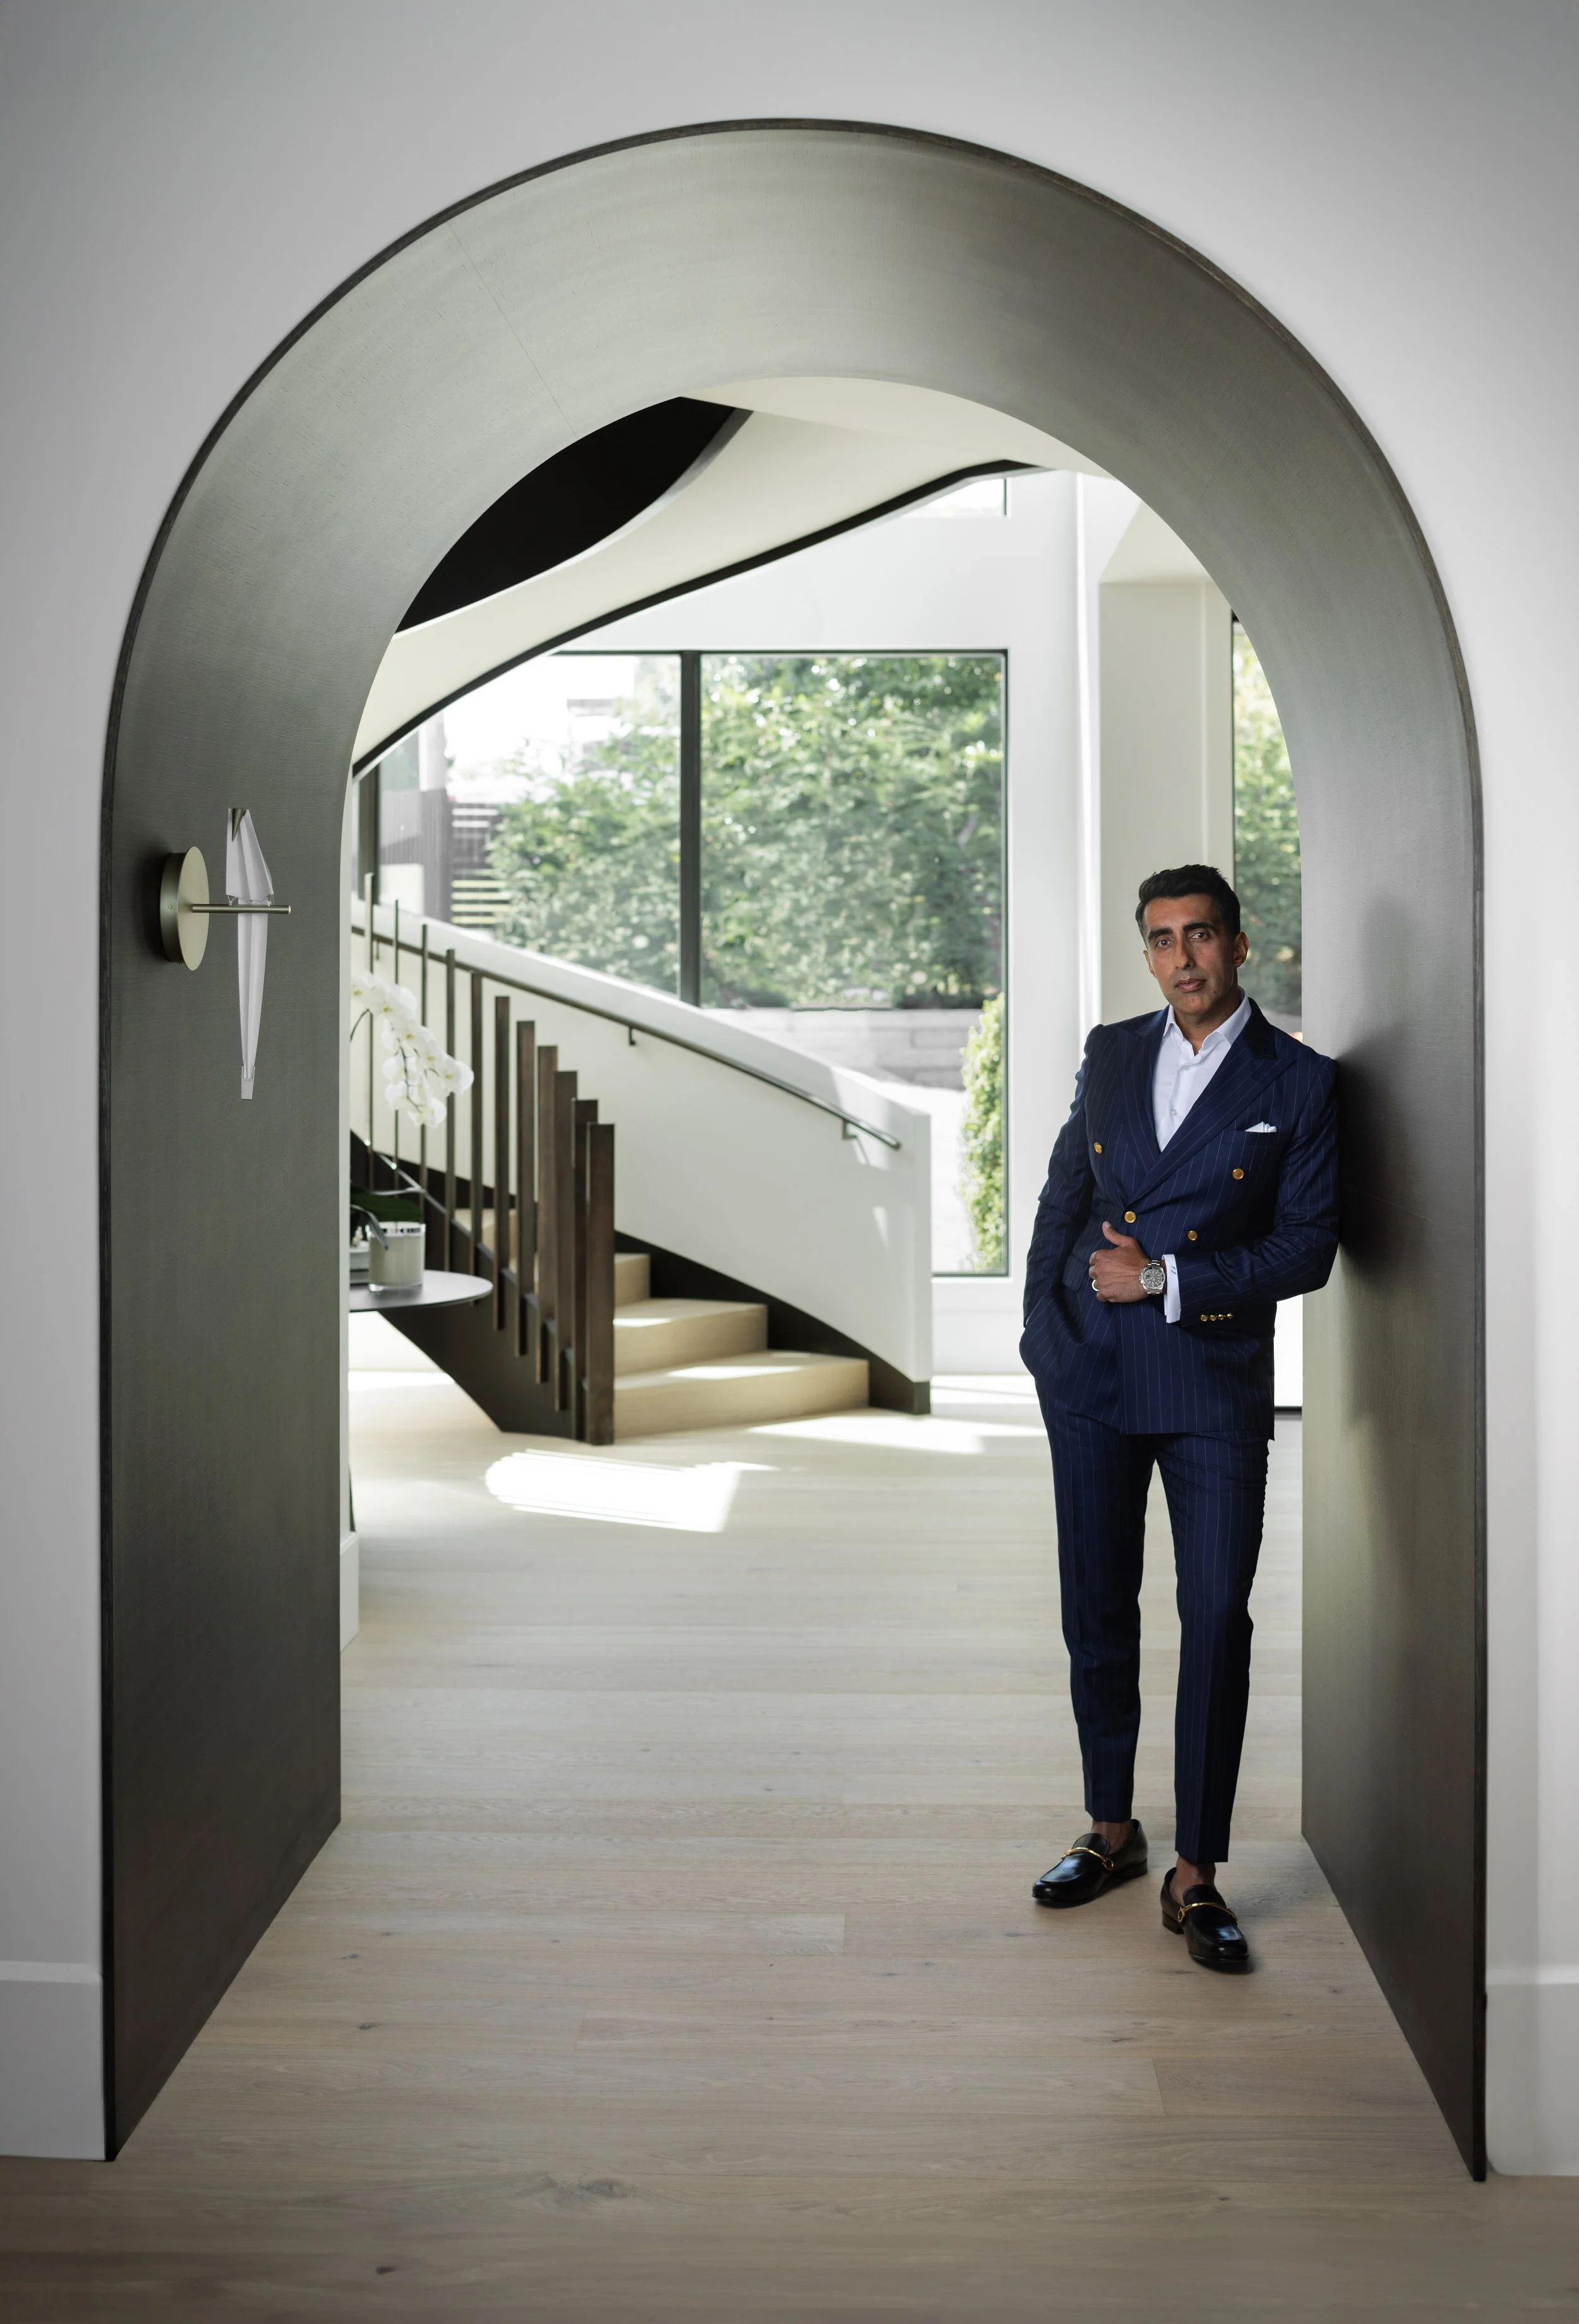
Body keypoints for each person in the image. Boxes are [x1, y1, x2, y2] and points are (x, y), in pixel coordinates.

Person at [1021, 865, 1338, 1970]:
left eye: (1200, 935)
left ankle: (1195, 1870)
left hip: (1212, 1382)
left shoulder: (1299, 1080)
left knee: (1215, 1618)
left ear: (1239, 946)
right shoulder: (1112, 1050)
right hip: (1090, 1376)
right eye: (1161, 939)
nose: (1181, 958)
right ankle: (1110, 1829)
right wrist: (1042, 1326)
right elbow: (1064, 1193)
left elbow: (1308, 1247)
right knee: (1096, 1606)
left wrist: (1164, 1278)